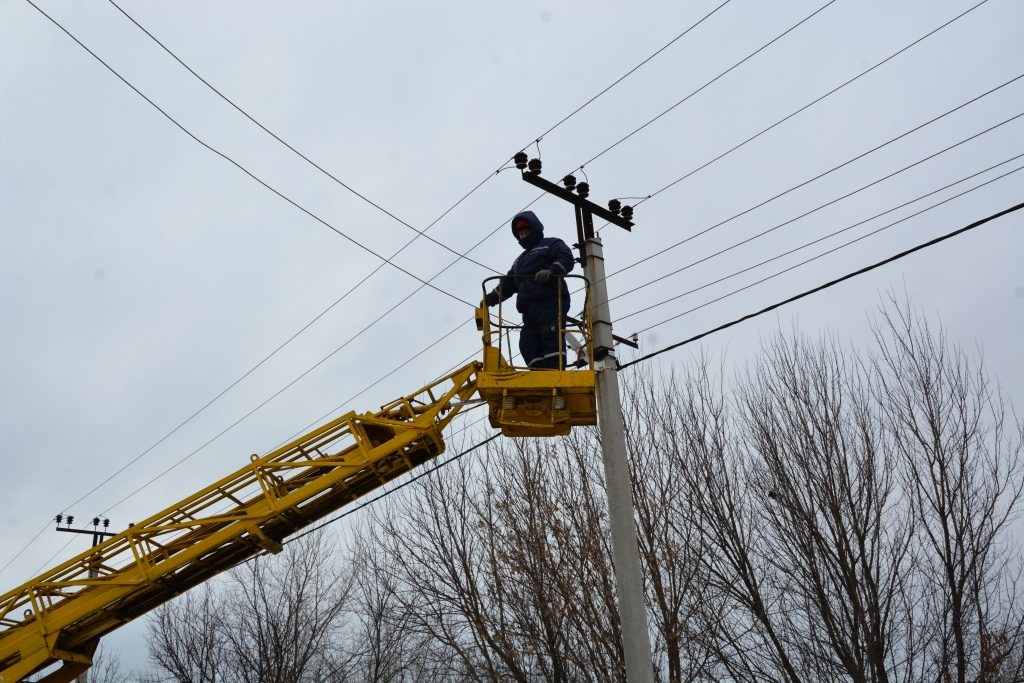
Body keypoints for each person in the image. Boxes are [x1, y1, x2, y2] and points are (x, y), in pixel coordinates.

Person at [484, 211, 575, 369]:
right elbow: (509, 282)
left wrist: (551, 271)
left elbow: (566, 258)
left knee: (550, 335)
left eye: (526, 231)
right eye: (521, 233)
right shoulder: (519, 260)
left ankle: (555, 371)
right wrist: (490, 298)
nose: (524, 235)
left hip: (550, 300)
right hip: (529, 307)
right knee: (527, 342)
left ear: (535, 229)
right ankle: (539, 372)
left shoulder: (551, 244)